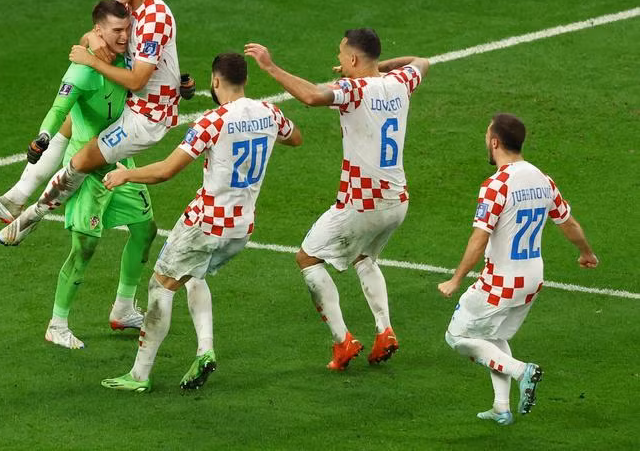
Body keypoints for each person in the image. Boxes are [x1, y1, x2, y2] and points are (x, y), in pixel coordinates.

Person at [99, 53, 302, 392]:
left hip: (205, 224)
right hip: (240, 229)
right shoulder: (270, 113)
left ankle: (138, 376)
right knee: (194, 276)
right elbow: (295, 137)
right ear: (246, 80)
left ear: (215, 81)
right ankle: (205, 349)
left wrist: (126, 174)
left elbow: (166, 170)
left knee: (160, 287)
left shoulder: (212, 121)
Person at [0, 0, 194, 225]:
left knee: (82, 161)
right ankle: (14, 199)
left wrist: (92, 61)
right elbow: (95, 35)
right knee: (72, 120)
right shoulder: (121, 5)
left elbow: (138, 80)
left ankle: (28, 220)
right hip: (126, 98)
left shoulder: (155, 18)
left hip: (149, 114)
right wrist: (92, 38)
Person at [245, 31, 429, 370]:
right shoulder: (400, 82)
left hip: (362, 203)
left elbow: (313, 97)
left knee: (308, 258)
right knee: (364, 257)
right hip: (397, 201)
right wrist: (379, 67)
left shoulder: (353, 90)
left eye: (342, 55)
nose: (340, 60)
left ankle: (343, 342)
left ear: (355, 60)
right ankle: (384, 330)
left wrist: (271, 67)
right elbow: (421, 62)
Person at [0, 0, 157, 347]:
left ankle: (123, 309)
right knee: (85, 247)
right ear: (99, 31)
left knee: (145, 228)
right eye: (117, 31)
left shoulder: (127, 56)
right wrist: (44, 136)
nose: (125, 36)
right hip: (87, 168)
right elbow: (59, 107)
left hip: (120, 162)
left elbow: (149, 66)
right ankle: (57, 324)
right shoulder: (81, 71)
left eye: (127, 29)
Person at [437, 113, 598, 424]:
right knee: (493, 335)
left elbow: (479, 238)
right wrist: (586, 253)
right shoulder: (543, 179)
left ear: (495, 142)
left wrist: (456, 279)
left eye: (487, 137)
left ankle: (521, 370)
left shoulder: (497, 185)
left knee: (456, 337)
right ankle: (501, 407)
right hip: (533, 277)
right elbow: (569, 224)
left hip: (501, 279)